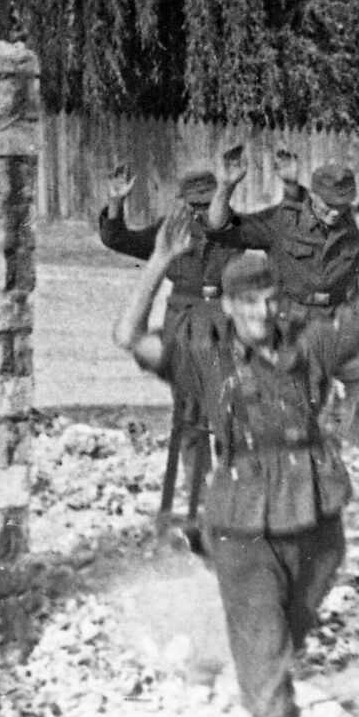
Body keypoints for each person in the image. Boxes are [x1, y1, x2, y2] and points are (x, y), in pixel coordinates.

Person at [113, 207, 359, 717]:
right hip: (242, 516)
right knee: (265, 643)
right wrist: (159, 266)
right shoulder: (204, 356)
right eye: (249, 305)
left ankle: (257, 675)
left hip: (316, 508)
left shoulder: (309, 342)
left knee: (292, 624)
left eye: (270, 302)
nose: (262, 315)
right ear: (229, 308)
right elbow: (128, 338)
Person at [205, 148, 359, 515]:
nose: (334, 213)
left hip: (339, 323)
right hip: (290, 327)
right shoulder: (282, 220)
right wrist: (226, 185)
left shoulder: (356, 224)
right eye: (327, 206)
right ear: (312, 196)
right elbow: (220, 226)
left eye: (342, 206)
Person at [97, 163, 244, 539]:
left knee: (230, 406)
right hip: (183, 320)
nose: (200, 211)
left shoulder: (239, 231)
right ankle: (201, 493)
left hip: (226, 322)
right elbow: (118, 240)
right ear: (181, 203)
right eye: (193, 204)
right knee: (191, 413)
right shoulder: (171, 230)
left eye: (208, 202)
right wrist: (116, 203)